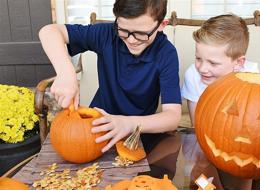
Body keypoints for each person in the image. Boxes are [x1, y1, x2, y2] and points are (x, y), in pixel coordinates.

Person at [39, 0, 181, 153]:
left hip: (136, 135)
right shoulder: (106, 34)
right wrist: (66, 73)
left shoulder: (166, 53)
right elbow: (49, 31)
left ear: (162, 25)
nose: (131, 40)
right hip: (95, 130)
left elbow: (172, 117)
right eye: (123, 30)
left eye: (141, 34)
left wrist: (128, 123)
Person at [181, 13, 259, 190]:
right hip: (204, 143)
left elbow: (253, 127)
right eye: (198, 58)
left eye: (213, 63)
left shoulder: (251, 76)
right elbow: (198, 127)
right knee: (201, 182)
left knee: (242, 177)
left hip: (240, 144)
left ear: (239, 63)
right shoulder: (193, 74)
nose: (202, 68)